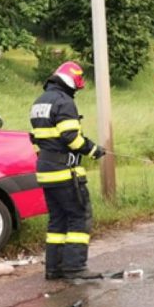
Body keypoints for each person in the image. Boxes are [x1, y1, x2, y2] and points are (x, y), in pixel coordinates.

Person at [30, 61, 105, 281]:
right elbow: (71, 137)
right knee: (79, 217)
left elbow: (36, 138)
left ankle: (54, 269)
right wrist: (93, 150)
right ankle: (75, 267)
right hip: (65, 172)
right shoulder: (64, 102)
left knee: (57, 221)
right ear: (71, 81)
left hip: (45, 171)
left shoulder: (39, 102)